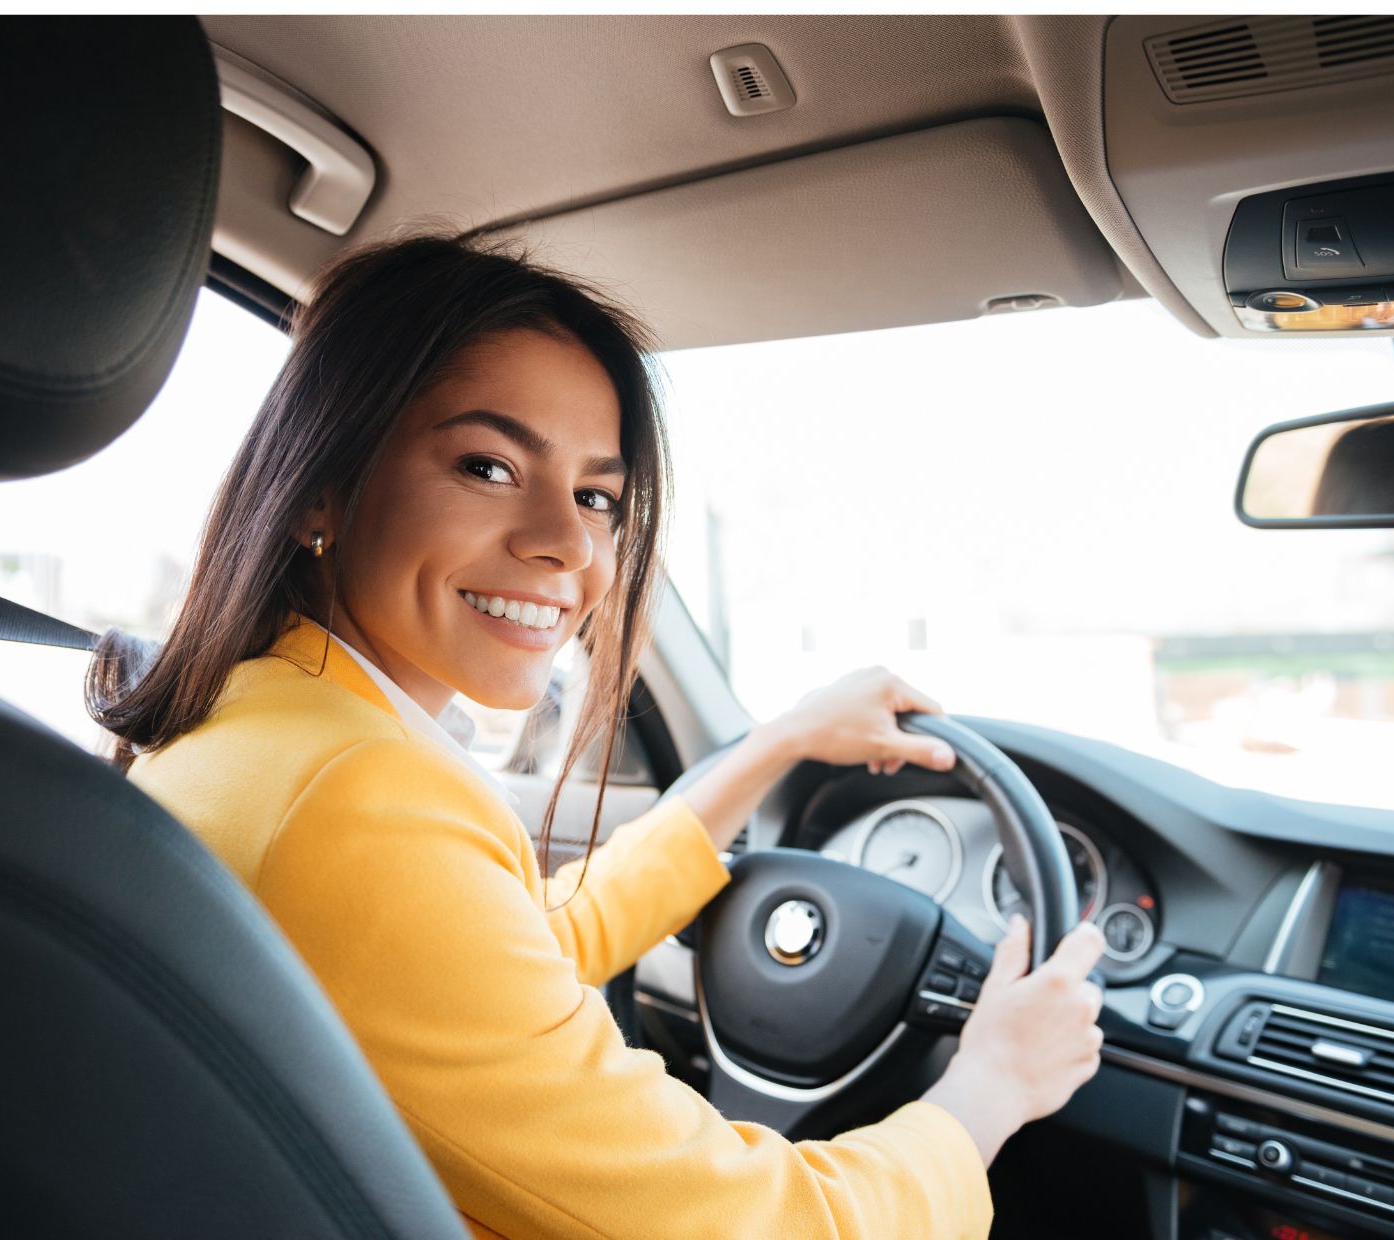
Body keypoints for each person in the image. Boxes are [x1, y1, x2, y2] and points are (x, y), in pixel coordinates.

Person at [88, 235, 1106, 1239]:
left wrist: (772, 746)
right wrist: (989, 1086)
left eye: (595, 496)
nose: (568, 544)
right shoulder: (358, 796)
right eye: (488, 465)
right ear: (322, 486)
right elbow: (750, 1224)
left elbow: (508, 961)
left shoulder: (260, 721)